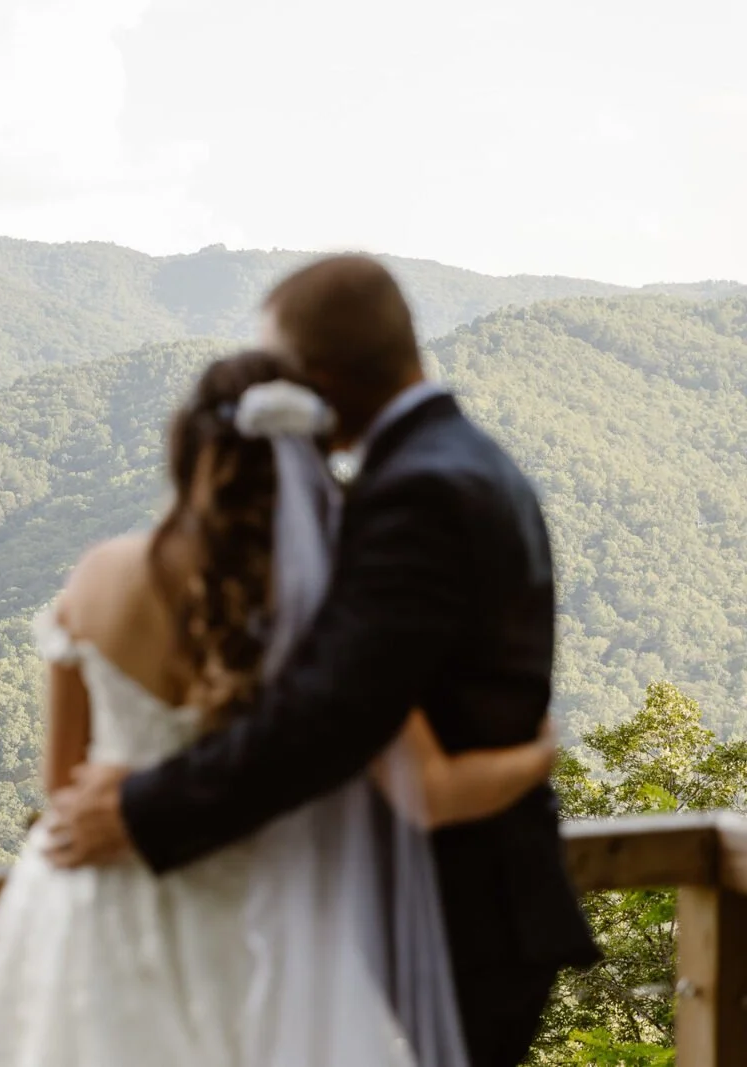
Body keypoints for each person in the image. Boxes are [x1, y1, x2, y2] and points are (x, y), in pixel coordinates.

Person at [0, 344, 561, 1067]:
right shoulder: (323, 618)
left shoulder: (102, 574)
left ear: (188, 446)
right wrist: (537, 753)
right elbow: (427, 787)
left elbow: (60, 786)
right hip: (261, 926)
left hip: (95, 907)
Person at [45, 256, 600, 1067]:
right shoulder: (464, 460)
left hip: (457, 920)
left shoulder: (419, 491)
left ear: (325, 380)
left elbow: (332, 714)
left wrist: (142, 807)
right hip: (462, 903)